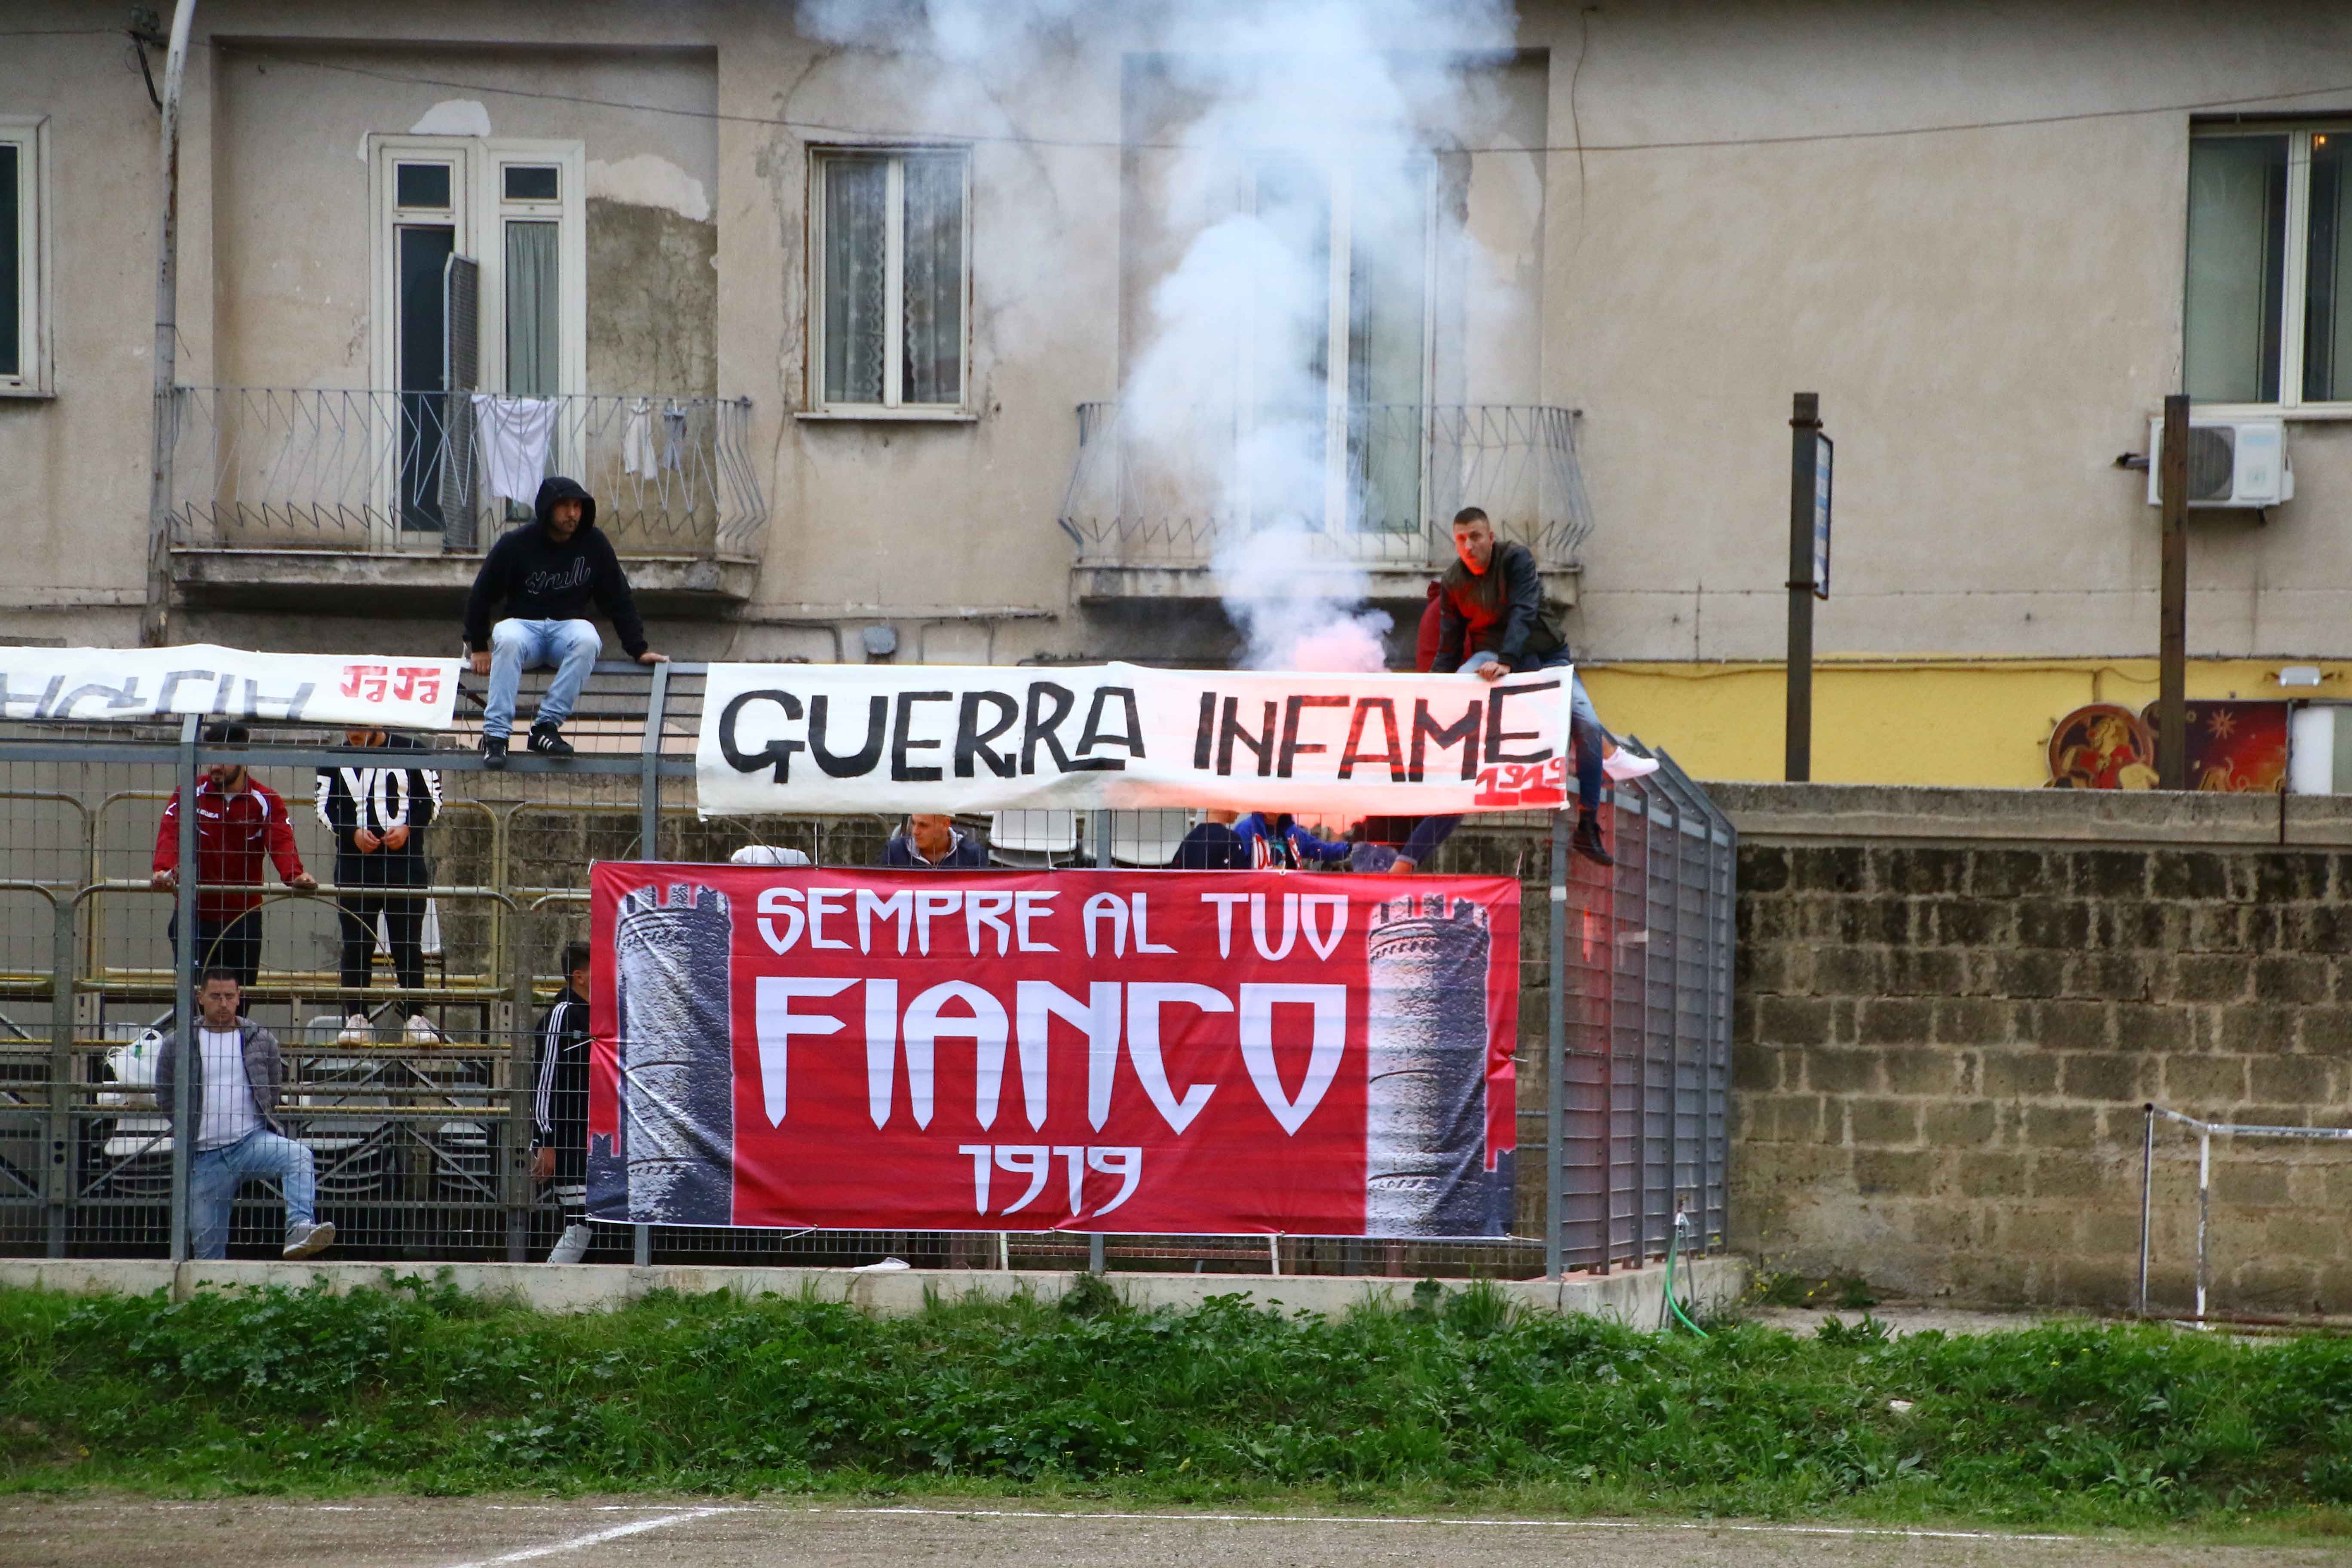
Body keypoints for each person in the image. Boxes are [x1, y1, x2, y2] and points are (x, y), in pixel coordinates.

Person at [1435, 506, 1626, 866]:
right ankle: (1440, 779)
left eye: (1475, 537)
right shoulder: (1453, 582)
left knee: (1587, 724)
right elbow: (1449, 643)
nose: (1468, 546)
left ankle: (1587, 825)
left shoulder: (1516, 559)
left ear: (1490, 537)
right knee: (1457, 687)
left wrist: (1507, 660)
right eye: (1461, 539)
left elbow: (1524, 610)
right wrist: (1432, 695)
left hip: (1544, 656)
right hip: (1492, 656)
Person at [462, 475, 668, 768]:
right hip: (524, 628)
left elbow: (618, 597)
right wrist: (479, 645)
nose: (573, 514)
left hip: (565, 631)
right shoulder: (516, 544)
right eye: (565, 507)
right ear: (548, 509)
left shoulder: (594, 543)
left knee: (588, 639)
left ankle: (545, 727)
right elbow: (481, 594)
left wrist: (639, 648)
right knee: (506, 637)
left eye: (578, 507)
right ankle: (496, 735)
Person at [152, 969, 336, 1260]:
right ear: (201, 998)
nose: (223, 1004)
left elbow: (272, 1088)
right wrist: (187, 1127)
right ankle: (209, 1298)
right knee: (207, 1249)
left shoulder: (260, 1039)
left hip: (251, 1142)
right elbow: (164, 1093)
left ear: (239, 998)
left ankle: (299, 1227)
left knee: (298, 1156)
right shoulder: (179, 1042)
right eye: (215, 996)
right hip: (204, 1154)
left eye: (229, 996)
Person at [150, 723, 316, 1002]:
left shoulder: (265, 800)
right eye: (210, 758)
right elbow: (171, 831)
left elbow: (281, 840)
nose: (215, 766)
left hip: (243, 917)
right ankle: (192, 1045)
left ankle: (235, 1046)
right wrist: (163, 870)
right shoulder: (190, 793)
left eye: (223, 759)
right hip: (194, 914)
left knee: (240, 998)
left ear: (243, 758)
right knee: (192, 998)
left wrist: (294, 875)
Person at [315, 729, 444, 1044]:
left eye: (359, 728)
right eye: (348, 728)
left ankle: (415, 1016)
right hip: (355, 866)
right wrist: (352, 833)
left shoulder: (413, 748)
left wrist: (409, 827)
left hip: (405, 866)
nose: (353, 735)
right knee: (357, 942)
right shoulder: (334, 758)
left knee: (407, 943)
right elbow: (323, 807)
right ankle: (357, 1015)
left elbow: (434, 800)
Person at [531, 943, 594, 1264]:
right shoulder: (562, 1016)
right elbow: (544, 1081)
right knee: (580, 1224)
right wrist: (546, 1142)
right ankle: (543, 1290)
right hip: (569, 1140)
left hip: (599, 1140)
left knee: (593, 1224)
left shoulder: (606, 1016)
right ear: (579, 976)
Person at [882, 814, 988, 867]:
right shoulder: (894, 852)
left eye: (923, 825)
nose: (915, 832)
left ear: (945, 824)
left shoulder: (974, 855)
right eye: (913, 823)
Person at [1169, 809, 1250, 870]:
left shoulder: (1188, 840)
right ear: (1228, 802)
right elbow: (1238, 883)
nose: (1240, 811)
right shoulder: (1232, 841)